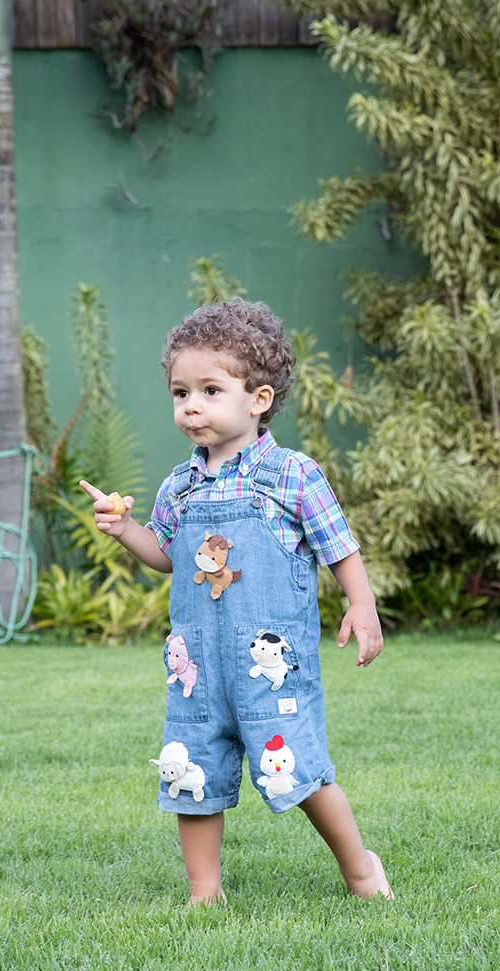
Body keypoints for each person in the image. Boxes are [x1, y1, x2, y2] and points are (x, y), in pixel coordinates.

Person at [80, 298, 394, 904]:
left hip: (270, 667)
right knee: (190, 770)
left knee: (298, 769)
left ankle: (360, 869)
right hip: (196, 668)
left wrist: (362, 603)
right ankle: (205, 892)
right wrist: (125, 532)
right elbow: (170, 554)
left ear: (259, 399)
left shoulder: (293, 475)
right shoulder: (180, 483)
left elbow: (339, 546)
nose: (191, 405)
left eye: (210, 390)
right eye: (180, 392)